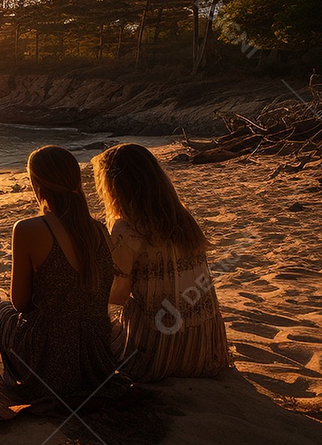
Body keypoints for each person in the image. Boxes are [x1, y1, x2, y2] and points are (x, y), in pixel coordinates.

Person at [0, 145, 117, 400]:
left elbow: (20, 304)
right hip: (95, 357)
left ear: (37, 184)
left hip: (48, 359)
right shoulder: (98, 230)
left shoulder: (29, 229)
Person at [92, 142, 230, 381]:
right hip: (206, 350)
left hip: (158, 353)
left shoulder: (127, 228)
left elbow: (117, 297)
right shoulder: (182, 218)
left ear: (117, 186)